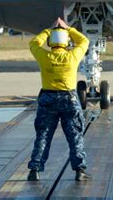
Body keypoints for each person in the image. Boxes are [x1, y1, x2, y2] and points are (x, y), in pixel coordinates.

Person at [27, 17, 92, 182]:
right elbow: (84, 41)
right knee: (75, 136)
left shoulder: (44, 56)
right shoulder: (72, 56)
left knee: (43, 135)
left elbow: (34, 43)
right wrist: (68, 28)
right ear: (66, 42)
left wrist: (49, 30)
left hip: (48, 98)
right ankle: (79, 171)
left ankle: (35, 170)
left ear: (51, 42)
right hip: (69, 99)